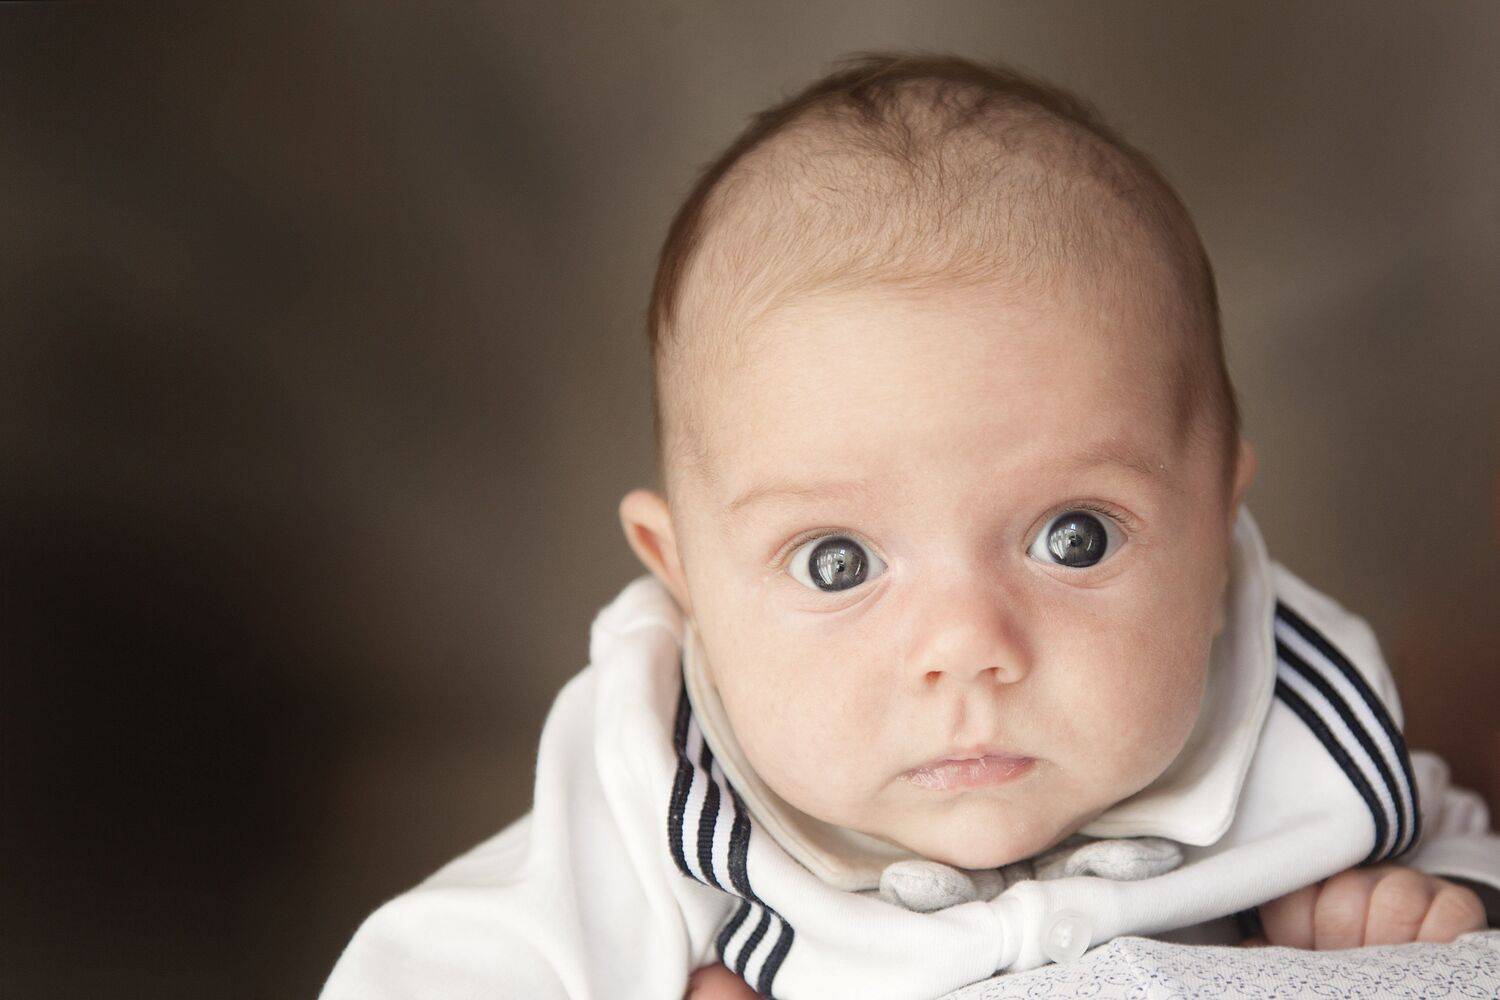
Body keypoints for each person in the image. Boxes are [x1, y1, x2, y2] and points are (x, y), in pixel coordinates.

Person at [320, 53, 1498, 1000]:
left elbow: (1453, 839)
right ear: (684, 579)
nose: (967, 646)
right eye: (838, 562)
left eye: (1076, 537)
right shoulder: (660, 778)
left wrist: (1433, 896)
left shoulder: (1294, 706)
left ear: (1217, 524)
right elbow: (440, 964)